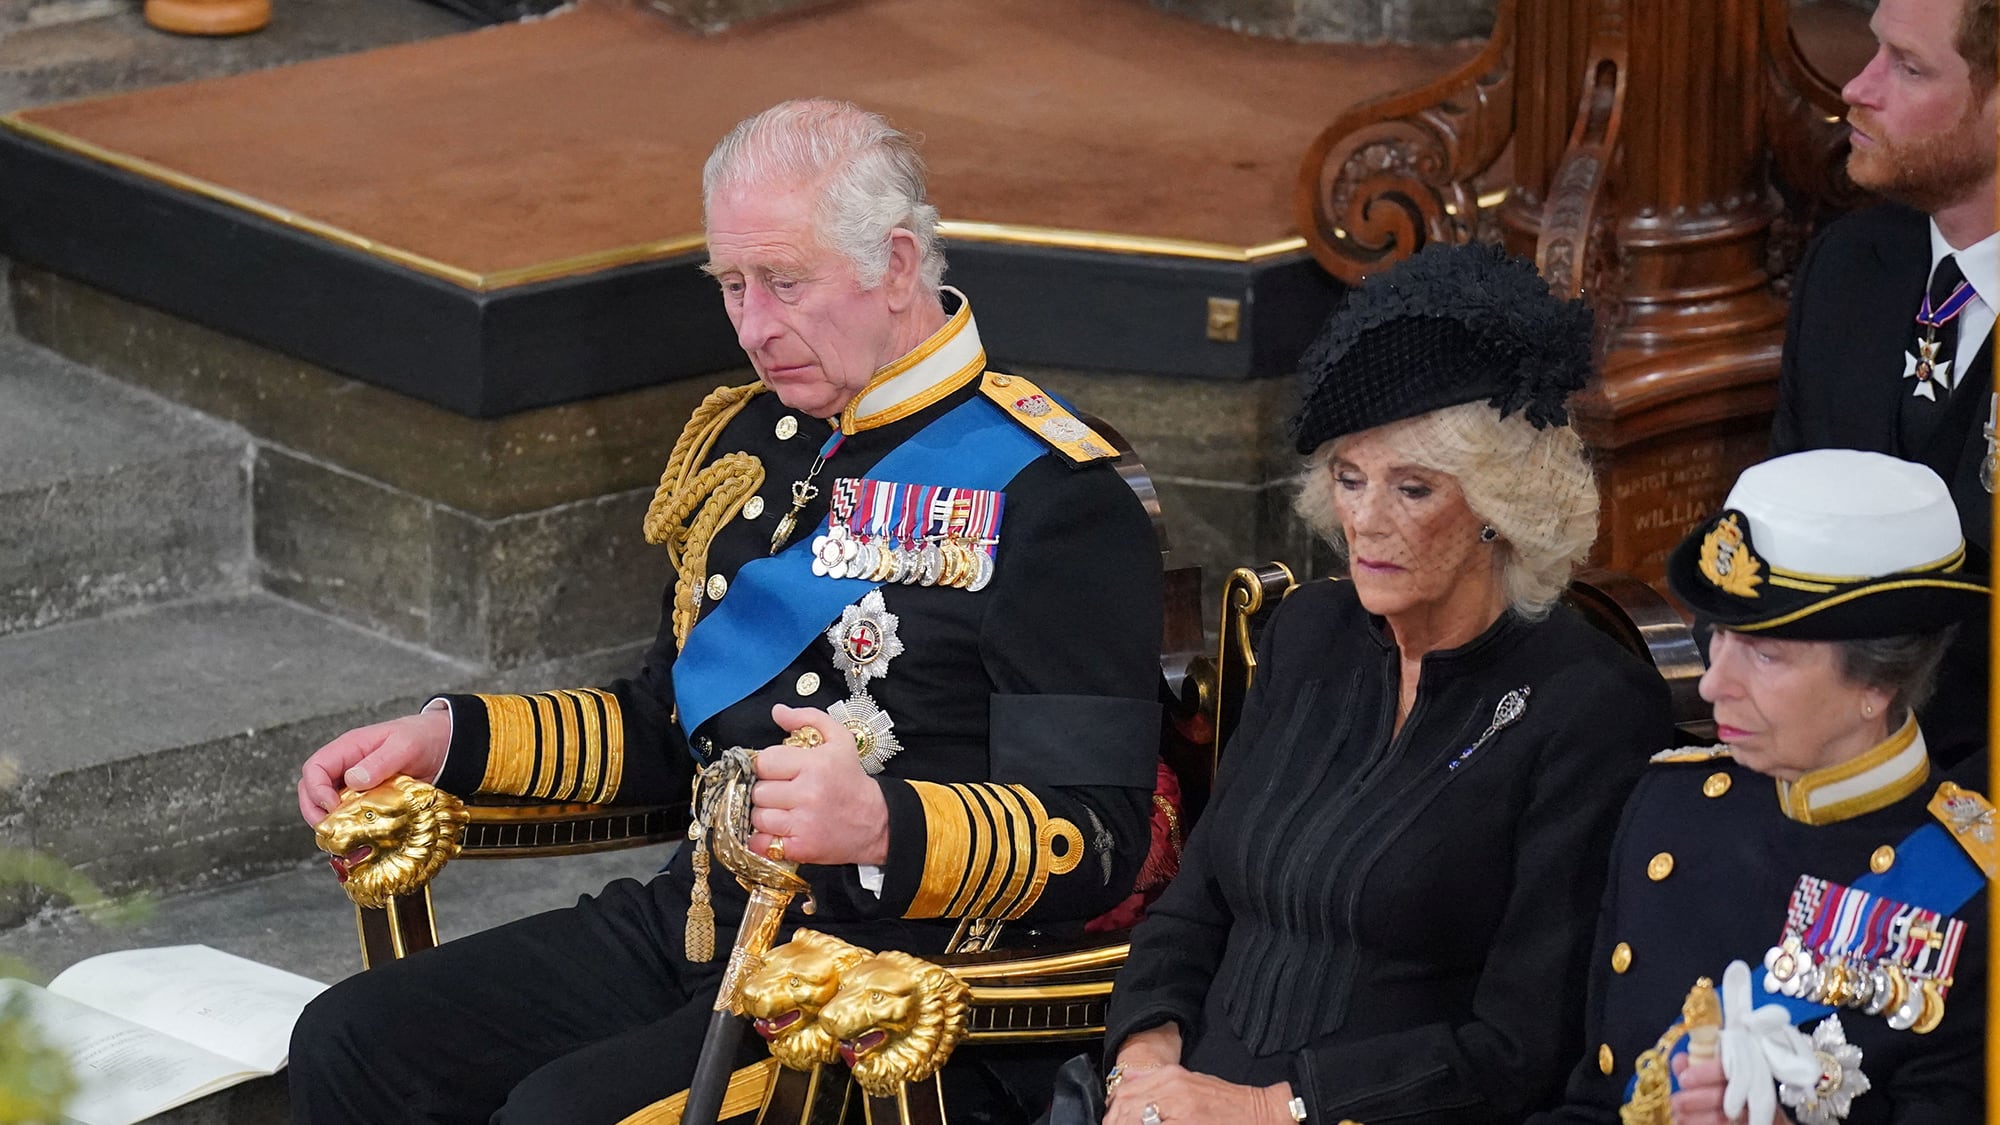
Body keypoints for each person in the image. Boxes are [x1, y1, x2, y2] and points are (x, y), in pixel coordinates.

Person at [287, 99, 1165, 1125]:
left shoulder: (1054, 494)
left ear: (892, 265)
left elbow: (1095, 837)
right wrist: (450, 740)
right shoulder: (751, 441)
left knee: (560, 1113)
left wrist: (880, 824)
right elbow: (673, 726)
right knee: (354, 1039)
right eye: (732, 287)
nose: (753, 326)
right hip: (704, 918)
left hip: (886, 993)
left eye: (784, 284)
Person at [1091, 242, 1675, 1125]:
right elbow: (1195, 907)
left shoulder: (1588, 707)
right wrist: (1143, 1065)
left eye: (1412, 489)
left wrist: (1265, 1109)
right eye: (1349, 479)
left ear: (1498, 509)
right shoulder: (1310, 636)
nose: (1365, 521)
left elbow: (1519, 1047)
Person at [1533, 448, 1991, 1125]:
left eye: (1765, 653)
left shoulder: (1972, 894)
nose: (1713, 682)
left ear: (1877, 684)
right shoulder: (1669, 804)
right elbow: (1594, 1104)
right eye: (1718, 635)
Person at [1769, 0, 1996, 759]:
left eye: (1908, 67)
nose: (1856, 88)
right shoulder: (1849, 267)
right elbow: (1775, 535)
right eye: (1875, 52)